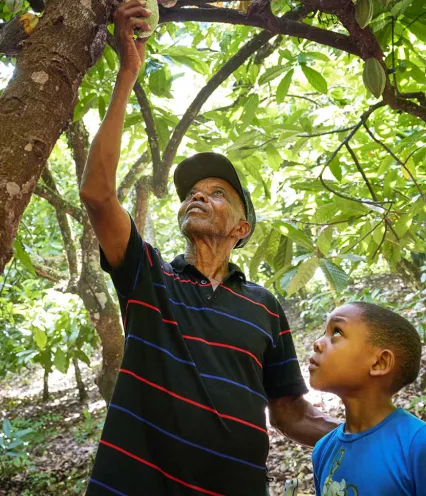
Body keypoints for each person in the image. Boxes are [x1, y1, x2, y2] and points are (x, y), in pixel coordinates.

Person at [80, 2, 338, 494]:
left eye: (218, 192)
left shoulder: (264, 307)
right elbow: (96, 193)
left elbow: (288, 410)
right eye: (194, 193)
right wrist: (127, 72)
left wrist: (366, 435)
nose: (198, 195)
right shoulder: (149, 276)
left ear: (242, 229)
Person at [309, 302, 426, 495]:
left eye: (336, 332)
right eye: (324, 332)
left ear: (379, 363)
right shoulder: (323, 450)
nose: (318, 343)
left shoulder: (417, 445)